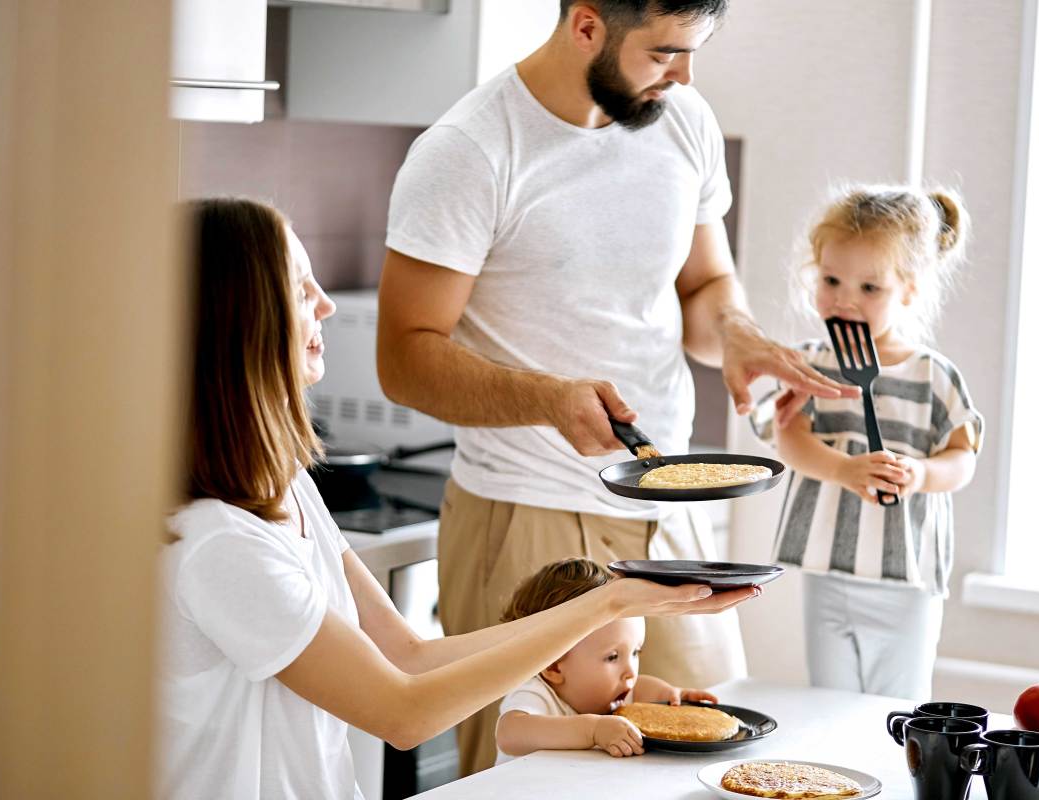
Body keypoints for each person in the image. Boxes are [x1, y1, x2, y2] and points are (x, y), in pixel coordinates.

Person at [375, 0, 858, 774]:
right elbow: (404, 359)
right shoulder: (469, 150)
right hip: (532, 508)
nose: (687, 74)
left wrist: (733, 335)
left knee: (715, 759)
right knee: (532, 779)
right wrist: (547, 399)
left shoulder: (683, 119)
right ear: (587, 26)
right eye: (666, 52)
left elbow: (705, 286)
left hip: (670, 512)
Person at [158, 197, 755, 799]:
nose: (327, 303)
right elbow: (403, 713)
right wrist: (605, 607)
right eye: (299, 285)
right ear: (242, 318)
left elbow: (411, 656)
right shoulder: (220, 543)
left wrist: (619, 602)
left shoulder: (287, 486)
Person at [765, 184, 984, 701]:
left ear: (908, 289)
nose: (844, 299)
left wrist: (923, 474)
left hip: (904, 580)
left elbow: (963, 457)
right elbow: (789, 440)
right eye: (831, 280)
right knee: (828, 704)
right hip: (827, 570)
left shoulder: (933, 375)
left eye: (870, 288)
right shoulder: (810, 364)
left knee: (897, 712)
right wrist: (842, 470)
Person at [494, 558, 733, 763]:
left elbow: (639, 689)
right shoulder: (536, 694)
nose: (630, 672)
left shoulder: (613, 692)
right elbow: (509, 734)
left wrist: (672, 696)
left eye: (635, 652)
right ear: (553, 665)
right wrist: (592, 730)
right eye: (612, 657)